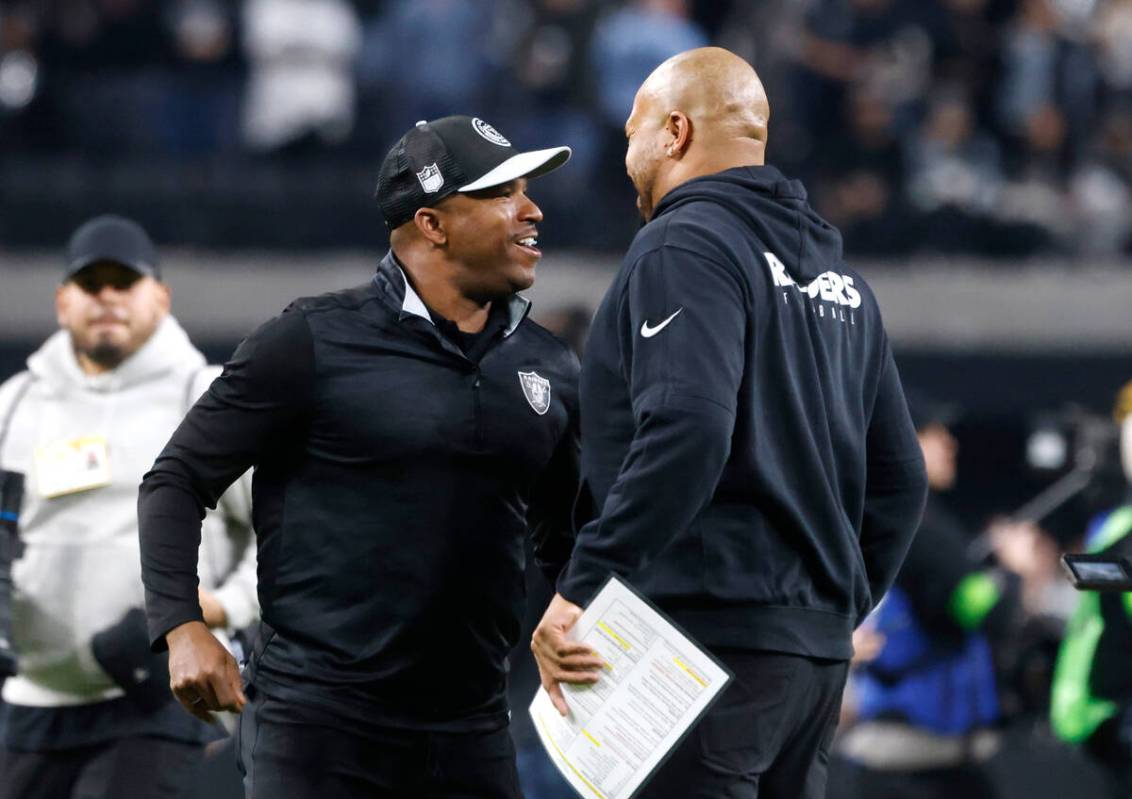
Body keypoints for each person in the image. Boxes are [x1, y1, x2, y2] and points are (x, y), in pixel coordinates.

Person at [137, 116, 580, 798]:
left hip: (473, 730)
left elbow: (570, 534)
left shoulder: (550, 365)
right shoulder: (309, 340)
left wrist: (582, 611)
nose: (532, 210)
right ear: (431, 223)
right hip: (319, 728)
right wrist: (180, 626)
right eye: (502, 192)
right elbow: (176, 478)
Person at [531, 46, 928, 799]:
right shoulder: (843, 282)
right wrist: (825, 605)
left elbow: (689, 429)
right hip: (809, 661)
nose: (626, 159)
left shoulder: (684, 245)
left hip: (702, 649)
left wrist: (584, 584)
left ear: (674, 132)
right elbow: (902, 481)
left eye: (631, 134)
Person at [0, 215, 258, 799]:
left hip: (154, 698)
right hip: (32, 697)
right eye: (91, 284)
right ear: (64, 301)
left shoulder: (207, 397)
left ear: (160, 297)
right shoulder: (13, 405)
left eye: (126, 281)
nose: (108, 296)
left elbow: (286, 535)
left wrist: (220, 606)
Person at [832, 399, 1017, 799]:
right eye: (935, 434)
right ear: (904, 442)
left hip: (887, 750)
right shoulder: (920, 524)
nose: (949, 444)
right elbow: (985, 612)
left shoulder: (871, 510)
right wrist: (1012, 572)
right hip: (917, 758)